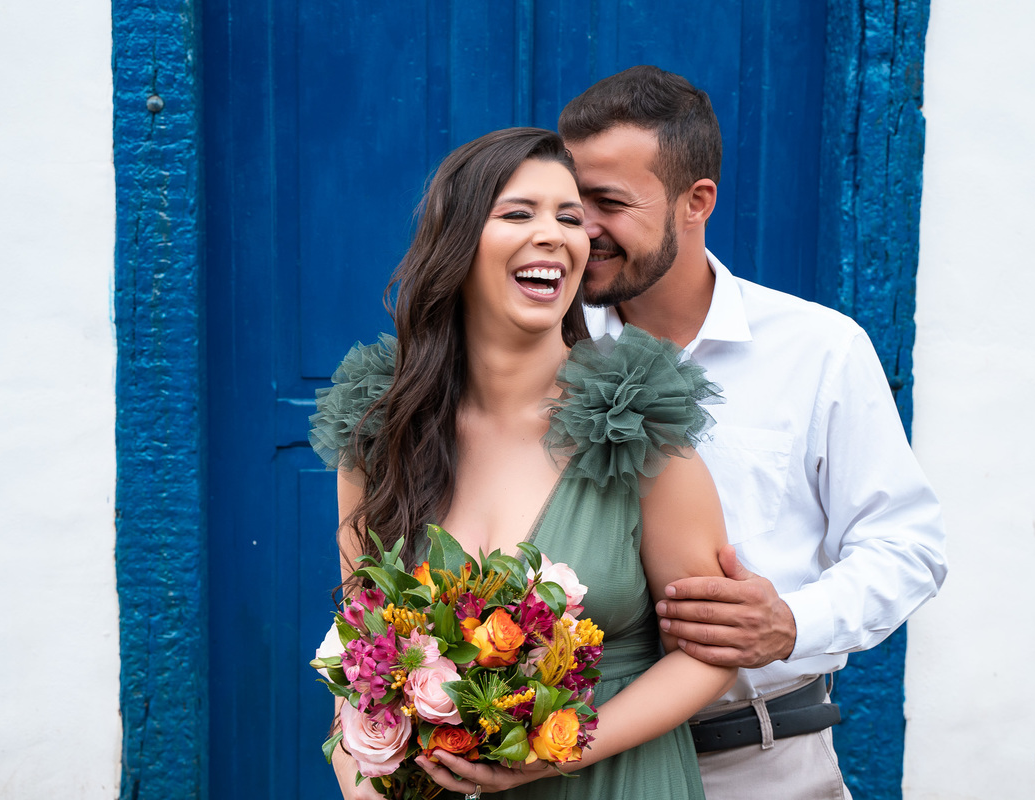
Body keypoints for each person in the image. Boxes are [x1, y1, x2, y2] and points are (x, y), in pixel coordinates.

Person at [309, 127, 736, 799]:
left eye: (570, 219)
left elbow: (712, 656)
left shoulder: (637, 426)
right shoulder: (378, 434)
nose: (556, 234)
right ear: (456, 245)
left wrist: (554, 755)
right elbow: (360, 651)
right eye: (518, 214)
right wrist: (364, 781)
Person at [557, 66, 948, 799]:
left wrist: (791, 622)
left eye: (608, 202)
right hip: (575, 769)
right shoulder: (551, 355)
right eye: (568, 202)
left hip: (761, 763)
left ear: (695, 202)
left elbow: (909, 546)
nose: (582, 229)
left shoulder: (819, 348)